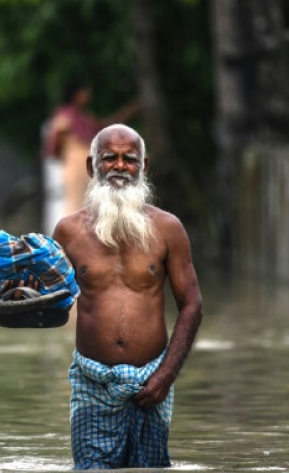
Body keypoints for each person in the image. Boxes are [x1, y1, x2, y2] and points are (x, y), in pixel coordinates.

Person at [51, 124, 203, 469]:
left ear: (144, 167)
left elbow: (192, 306)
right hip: (92, 382)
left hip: (153, 383)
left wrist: (166, 375)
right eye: (109, 158)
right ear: (92, 166)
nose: (120, 166)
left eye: (129, 159)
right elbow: (49, 299)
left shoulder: (168, 229)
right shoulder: (68, 232)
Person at [43, 81, 140, 231]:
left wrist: (128, 112)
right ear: (75, 94)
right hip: (75, 165)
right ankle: (72, 237)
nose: (88, 96)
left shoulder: (83, 116)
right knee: (76, 204)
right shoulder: (65, 116)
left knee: (93, 203)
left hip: (88, 164)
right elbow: (53, 146)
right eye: (84, 92)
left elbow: (102, 127)